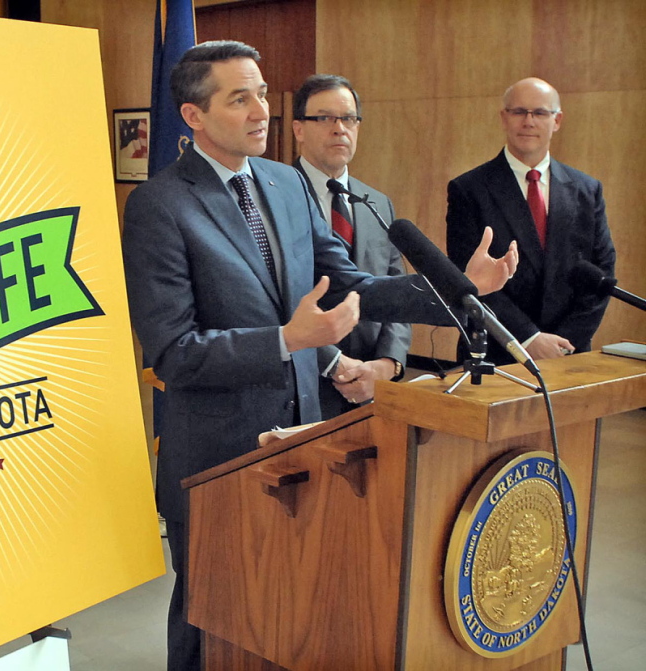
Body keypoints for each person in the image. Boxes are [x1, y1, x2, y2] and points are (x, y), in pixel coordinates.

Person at [121, 41, 517, 671]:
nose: (260, 112)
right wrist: (287, 341)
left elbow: (353, 283)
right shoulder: (158, 206)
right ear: (193, 117)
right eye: (239, 98)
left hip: (305, 446)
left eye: (261, 95)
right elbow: (174, 353)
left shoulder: (283, 183)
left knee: (291, 615)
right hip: (220, 461)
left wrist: (458, 289)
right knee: (212, 623)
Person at [446, 77, 616, 365]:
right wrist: (529, 337)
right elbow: (467, 276)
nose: (529, 121)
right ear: (504, 118)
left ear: (557, 120)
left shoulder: (587, 190)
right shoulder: (468, 189)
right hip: (498, 352)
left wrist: (566, 343)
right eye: (519, 112)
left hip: (570, 354)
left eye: (539, 113)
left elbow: (601, 272)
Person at [291, 74, 410, 419]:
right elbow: (273, 298)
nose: (339, 128)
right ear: (299, 128)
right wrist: (336, 365)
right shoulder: (274, 197)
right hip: (302, 384)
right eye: (325, 118)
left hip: (373, 388)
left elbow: (394, 286)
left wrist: (388, 364)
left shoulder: (377, 202)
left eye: (348, 118)